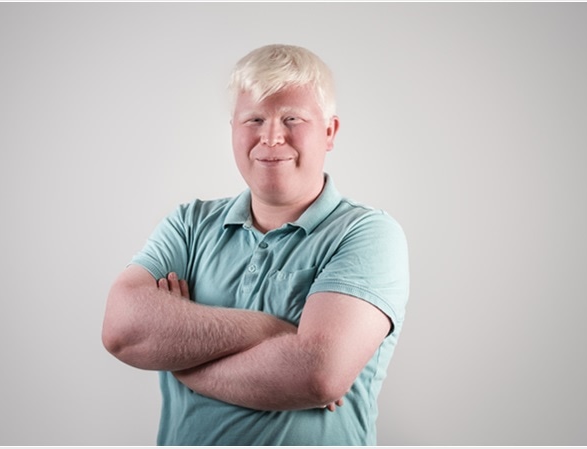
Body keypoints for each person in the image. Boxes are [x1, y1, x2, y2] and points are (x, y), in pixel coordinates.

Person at [102, 44, 409, 446]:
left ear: (330, 131)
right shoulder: (188, 225)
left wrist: (182, 361)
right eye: (255, 118)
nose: (271, 136)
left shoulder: (367, 234)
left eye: (292, 118)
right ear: (233, 128)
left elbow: (317, 376)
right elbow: (121, 331)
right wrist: (272, 330)